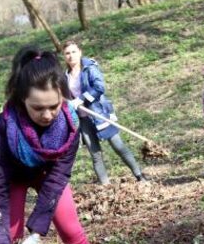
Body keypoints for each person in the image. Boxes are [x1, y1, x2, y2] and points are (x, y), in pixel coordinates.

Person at [0, 47, 125, 244]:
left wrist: (37, 235)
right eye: (37, 108)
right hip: (13, 179)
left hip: (49, 176)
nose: (47, 115)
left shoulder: (69, 125)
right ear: (21, 99)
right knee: (9, 240)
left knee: (73, 232)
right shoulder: (4, 128)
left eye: (53, 106)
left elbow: (58, 177)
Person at [62, 40, 147, 185]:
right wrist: (69, 102)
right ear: (64, 56)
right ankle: (106, 187)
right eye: (67, 53)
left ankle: (140, 177)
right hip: (83, 120)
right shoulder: (65, 76)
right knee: (95, 155)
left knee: (119, 147)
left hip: (100, 114)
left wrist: (81, 99)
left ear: (80, 52)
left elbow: (99, 87)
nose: (71, 56)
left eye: (74, 52)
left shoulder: (90, 68)